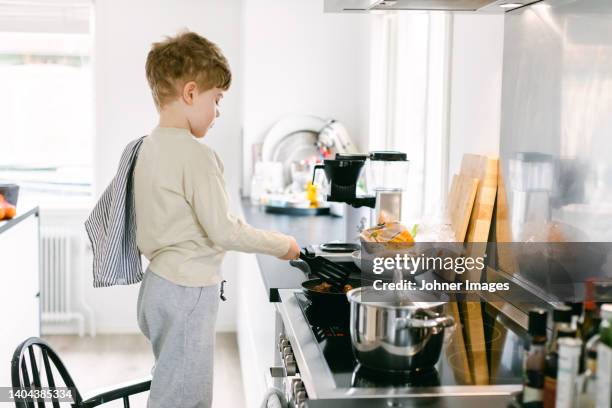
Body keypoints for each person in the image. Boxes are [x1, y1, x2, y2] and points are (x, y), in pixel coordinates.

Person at [133, 31, 300, 408]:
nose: (218, 111)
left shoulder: (148, 145)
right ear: (191, 94)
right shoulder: (196, 156)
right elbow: (224, 230)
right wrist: (283, 245)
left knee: (170, 382)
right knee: (185, 398)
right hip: (186, 290)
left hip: (157, 287)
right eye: (217, 99)